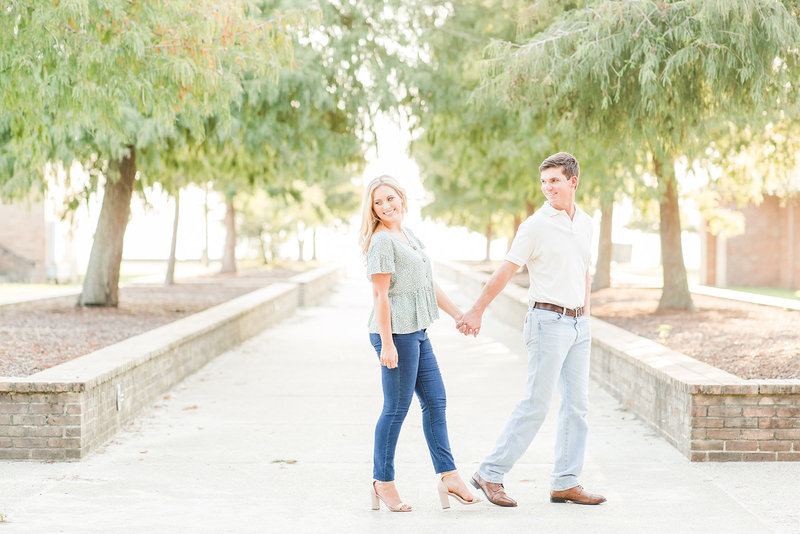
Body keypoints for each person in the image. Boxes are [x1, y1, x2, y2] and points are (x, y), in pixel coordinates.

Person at [457, 152, 606, 507]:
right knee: (536, 404)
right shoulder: (535, 225)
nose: (546, 188)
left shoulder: (585, 222)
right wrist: (477, 310)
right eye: (543, 181)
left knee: (577, 406)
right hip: (547, 322)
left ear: (573, 181)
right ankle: (490, 473)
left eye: (554, 180)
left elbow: (584, 269)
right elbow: (506, 271)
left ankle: (566, 481)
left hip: (577, 324)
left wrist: (585, 313)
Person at [359, 175, 481, 512]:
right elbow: (380, 295)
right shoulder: (382, 242)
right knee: (396, 409)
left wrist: (459, 314)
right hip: (395, 334)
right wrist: (386, 344)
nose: (386, 206)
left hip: (417, 331)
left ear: (402, 198)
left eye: (390, 198)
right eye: (378, 202)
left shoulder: (408, 235)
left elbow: (427, 283)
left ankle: (449, 476)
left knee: (436, 402)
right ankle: (382, 482)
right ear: (372, 209)